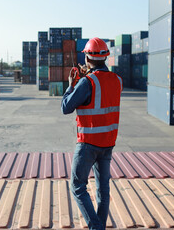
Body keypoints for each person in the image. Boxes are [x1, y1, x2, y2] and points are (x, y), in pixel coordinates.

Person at [61, 37, 122, 230]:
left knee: (77, 187)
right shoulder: (117, 80)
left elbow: (66, 107)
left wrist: (72, 85)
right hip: (108, 143)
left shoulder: (87, 82)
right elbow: (101, 93)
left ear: (87, 57)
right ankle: (100, 225)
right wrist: (88, 77)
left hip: (88, 143)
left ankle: (96, 228)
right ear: (105, 57)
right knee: (103, 190)